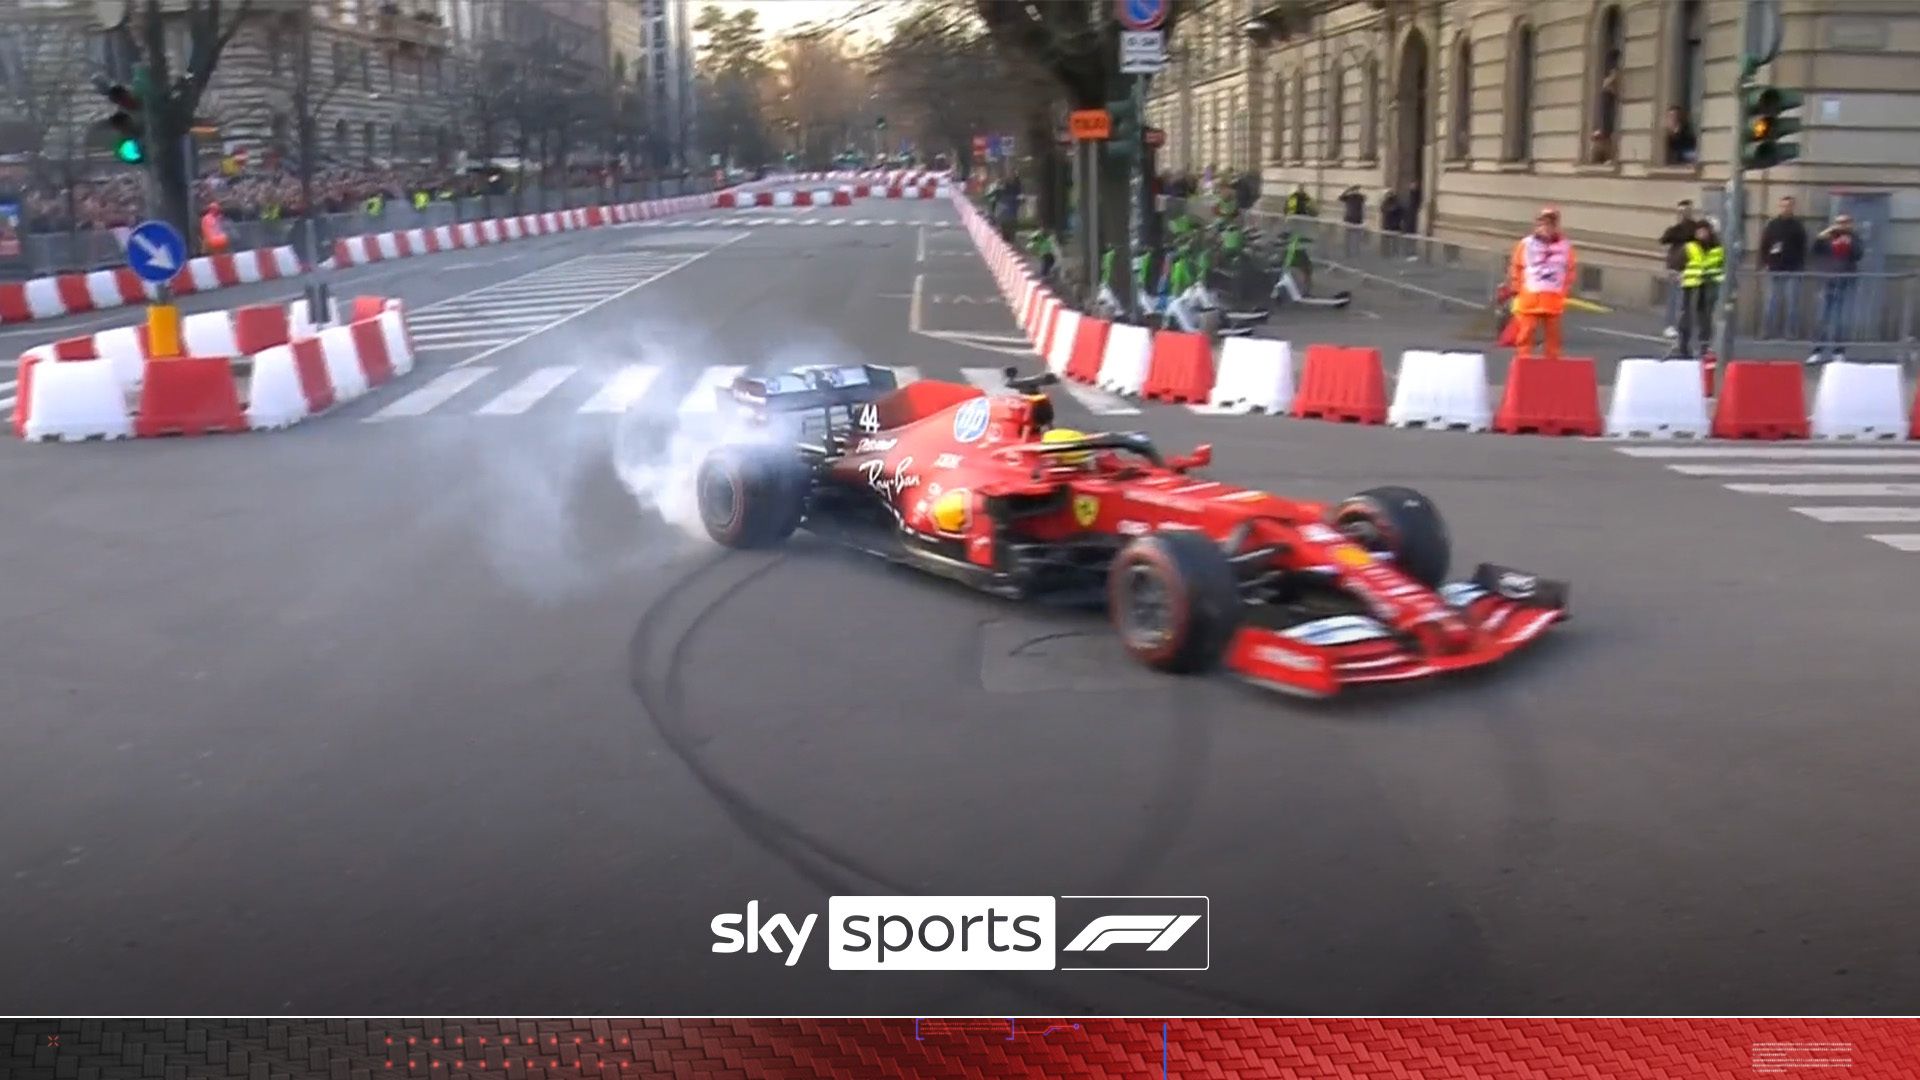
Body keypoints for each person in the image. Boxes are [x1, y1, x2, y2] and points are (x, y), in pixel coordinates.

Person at [1506, 206, 1576, 359]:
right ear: (1537, 225)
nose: (1547, 227)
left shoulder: (1565, 246)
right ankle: (1524, 361)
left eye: (1550, 223)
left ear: (1555, 225)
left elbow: (1570, 269)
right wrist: (1516, 287)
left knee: (1553, 336)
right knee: (1526, 331)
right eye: (1543, 223)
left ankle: (1552, 364)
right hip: (1529, 298)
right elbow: (1516, 266)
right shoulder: (1526, 244)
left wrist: (1564, 290)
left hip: (1553, 299)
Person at [1808, 212, 1863, 365]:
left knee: (1841, 319)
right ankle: (1817, 351)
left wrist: (1850, 241)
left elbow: (1859, 254)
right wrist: (1825, 234)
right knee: (1822, 318)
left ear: (1850, 224)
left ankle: (1838, 351)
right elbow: (1814, 249)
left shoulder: (1854, 238)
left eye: (1846, 222)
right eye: (1839, 222)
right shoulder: (1828, 237)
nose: (1842, 225)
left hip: (1845, 282)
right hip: (1827, 282)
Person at [1670, 219, 1723, 360]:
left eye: (1704, 231)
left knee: (1705, 318)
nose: (1702, 234)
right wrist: (1678, 274)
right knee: (1686, 316)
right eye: (1699, 231)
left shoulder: (1717, 249)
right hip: (1691, 286)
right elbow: (1676, 263)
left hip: (1709, 286)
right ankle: (1683, 346)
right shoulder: (1690, 247)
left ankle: (1704, 347)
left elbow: (1723, 266)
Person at [1758, 195, 1808, 339]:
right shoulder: (1772, 224)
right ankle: (1767, 331)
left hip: (1793, 268)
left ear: (1793, 207)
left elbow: (1802, 247)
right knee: (1771, 302)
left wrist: (1800, 265)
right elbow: (1764, 244)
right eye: (1783, 206)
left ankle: (1790, 332)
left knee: (1792, 303)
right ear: (1780, 207)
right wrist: (1765, 262)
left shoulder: (1798, 226)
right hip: (1774, 267)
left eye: (1789, 206)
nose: (1786, 208)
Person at [1657, 200, 1697, 337]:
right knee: (1674, 299)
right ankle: (1670, 325)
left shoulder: (1693, 229)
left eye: (1685, 212)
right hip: (1675, 268)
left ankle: (1682, 325)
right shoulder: (1675, 230)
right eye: (1680, 212)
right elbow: (1664, 239)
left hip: (1689, 268)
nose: (1682, 215)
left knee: (1684, 300)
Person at [1338, 185, 1365, 258]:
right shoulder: (1348, 197)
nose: (1355, 191)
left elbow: (1364, 198)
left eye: (1357, 190)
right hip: (1349, 219)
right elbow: (1340, 198)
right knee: (1348, 237)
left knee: (1356, 238)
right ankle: (1348, 252)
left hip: (1357, 220)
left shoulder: (1360, 197)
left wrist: (1349, 191)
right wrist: (1347, 190)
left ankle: (1355, 252)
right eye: (1354, 190)